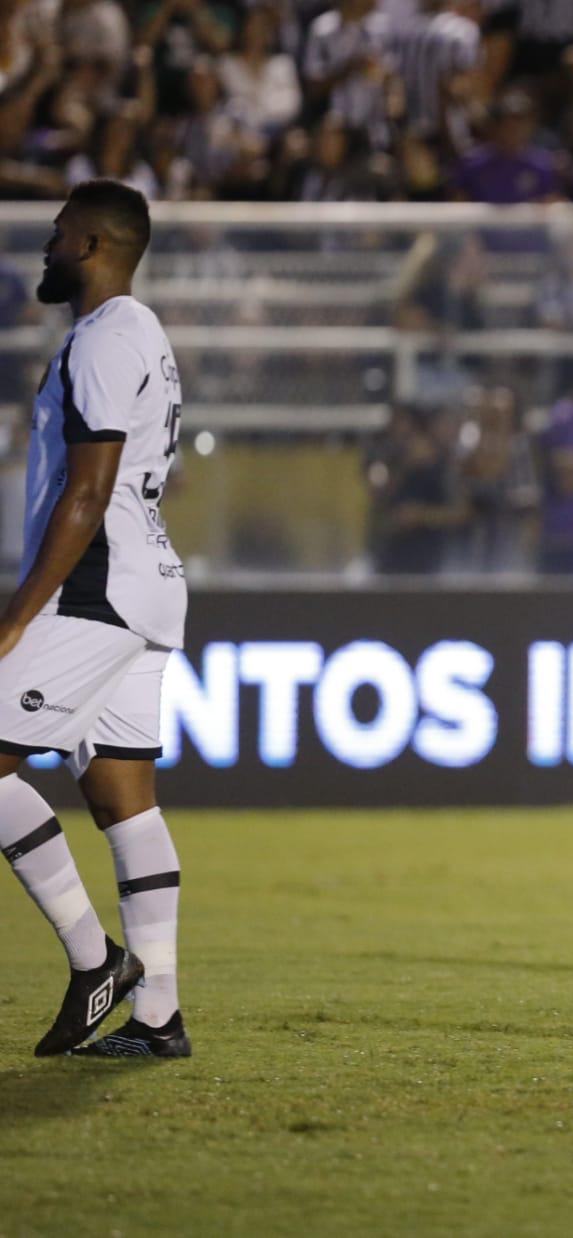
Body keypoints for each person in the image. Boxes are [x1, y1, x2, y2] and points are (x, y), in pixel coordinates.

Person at [0, 180, 189, 1058]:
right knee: (123, 796)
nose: (46, 245)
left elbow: (90, 489)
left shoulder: (108, 339)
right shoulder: (139, 335)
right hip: (147, 587)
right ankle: (159, 1014)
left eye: (57, 232)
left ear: (92, 244)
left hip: (95, 591)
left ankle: (94, 962)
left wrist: (17, 616)